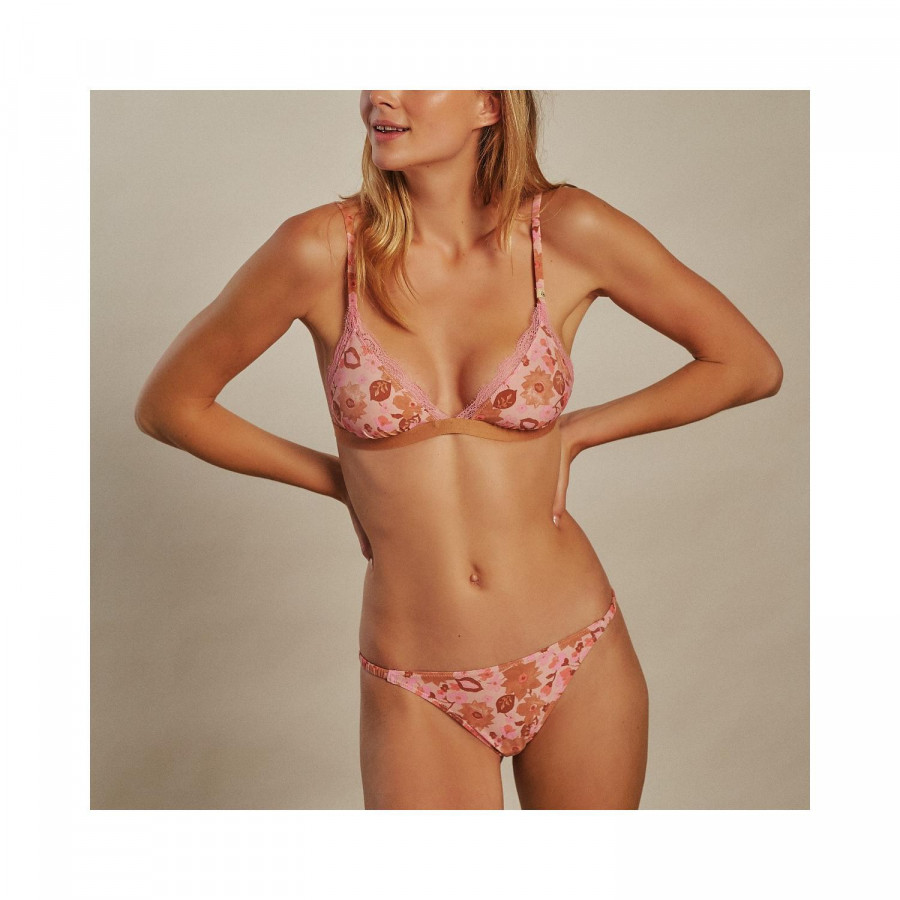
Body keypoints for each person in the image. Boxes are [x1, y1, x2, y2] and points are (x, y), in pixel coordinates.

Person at [135, 90, 783, 810]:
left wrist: (578, 432)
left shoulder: (568, 231)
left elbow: (746, 364)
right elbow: (170, 405)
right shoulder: (320, 249)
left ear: (489, 104)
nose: (381, 93)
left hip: (576, 648)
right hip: (418, 675)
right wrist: (341, 481)